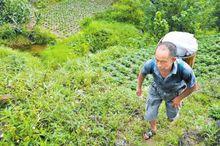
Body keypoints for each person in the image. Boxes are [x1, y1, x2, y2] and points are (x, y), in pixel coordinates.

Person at [136, 42, 197, 140]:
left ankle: (172, 117)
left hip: (174, 93)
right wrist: (139, 87)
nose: (159, 65)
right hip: (156, 89)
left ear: (173, 59)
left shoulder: (184, 69)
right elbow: (142, 73)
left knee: (172, 116)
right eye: (157, 60)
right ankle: (153, 129)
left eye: (163, 61)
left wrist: (179, 98)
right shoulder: (151, 64)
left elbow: (193, 86)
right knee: (150, 111)